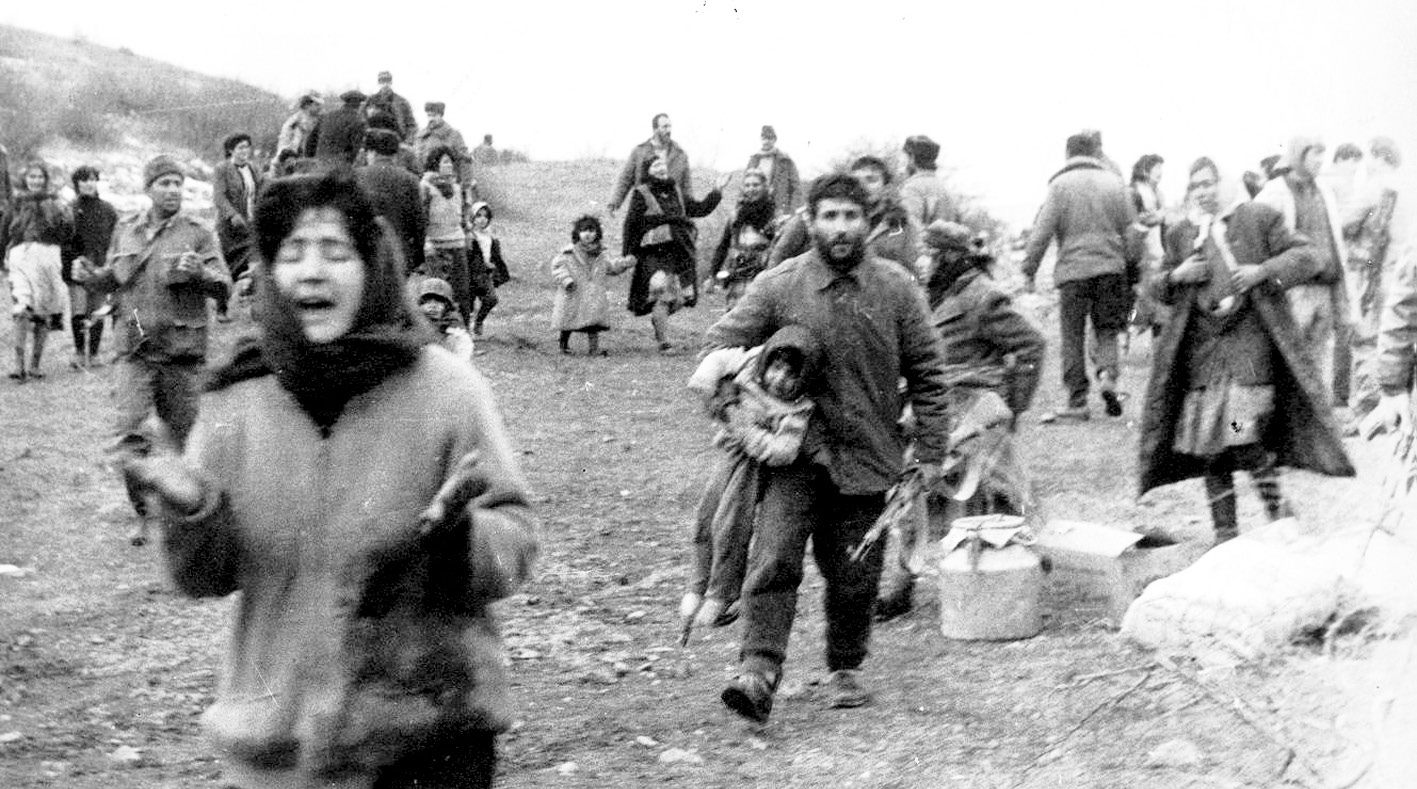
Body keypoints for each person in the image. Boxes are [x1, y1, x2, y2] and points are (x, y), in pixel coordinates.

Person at [115, 169, 537, 789]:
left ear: (372, 267)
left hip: (427, 737)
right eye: (293, 253)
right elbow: (205, 577)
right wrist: (192, 511)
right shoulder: (235, 400)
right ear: (269, 272)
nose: (312, 272)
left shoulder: (447, 390)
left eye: (335, 252)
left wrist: (459, 538)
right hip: (280, 748)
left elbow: (517, 542)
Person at [703, 173, 951, 722]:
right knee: (773, 557)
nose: (840, 227)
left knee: (855, 572)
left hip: (869, 455)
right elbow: (718, 347)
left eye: (851, 216)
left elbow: (931, 376)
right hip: (792, 457)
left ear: (869, 222)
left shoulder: (897, 289)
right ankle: (758, 669)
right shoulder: (779, 285)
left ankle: (846, 665)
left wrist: (932, 452)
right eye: (830, 216)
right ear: (811, 222)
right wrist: (739, 408)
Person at [1138, 158, 1354, 544]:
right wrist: (1176, 275)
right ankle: (1225, 534)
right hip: (1203, 355)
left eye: (1209, 182)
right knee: (1210, 448)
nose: (1203, 191)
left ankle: (1280, 518)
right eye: (1196, 185)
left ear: (1225, 182)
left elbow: (1310, 256)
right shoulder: (1182, 232)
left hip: (1248, 350)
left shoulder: (1258, 218)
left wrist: (1263, 270)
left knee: (1244, 436)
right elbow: (1154, 286)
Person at [875, 220, 1046, 620]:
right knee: (914, 494)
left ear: (950, 257)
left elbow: (1033, 344)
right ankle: (904, 584)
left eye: (929, 254)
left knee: (994, 500)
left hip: (975, 416)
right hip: (936, 413)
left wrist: (1010, 404)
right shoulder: (932, 295)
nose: (922, 261)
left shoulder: (981, 296)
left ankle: (1013, 575)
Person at [71, 155, 231, 545]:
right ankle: (145, 512)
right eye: (164, 183)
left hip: (181, 354)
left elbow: (224, 286)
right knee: (130, 436)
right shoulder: (126, 230)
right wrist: (90, 277)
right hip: (135, 348)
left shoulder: (198, 233)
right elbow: (113, 279)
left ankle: (190, 515)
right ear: (148, 189)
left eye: (178, 183)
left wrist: (202, 274)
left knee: (188, 439)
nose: (173, 190)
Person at [680, 326, 822, 639]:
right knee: (706, 516)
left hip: (752, 465)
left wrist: (744, 429)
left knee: (730, 524)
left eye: (791, 375)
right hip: (728, 453)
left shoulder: (798, 408)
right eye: (777, 368)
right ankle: (696, 583)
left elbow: (783, 451)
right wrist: (711, 388)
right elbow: (718, 359)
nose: (779, 379)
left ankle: (722, 592)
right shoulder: (751, 361)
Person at [1021, 132, 1138, 421]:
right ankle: (1107, 375)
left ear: (1068, 154)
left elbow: (1042, 232)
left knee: (1072, 334)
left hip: (1073, 272)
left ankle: (1077, 401)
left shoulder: (1059, 185)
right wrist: (1130, 263)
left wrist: (1029, 269)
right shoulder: (1115, 183)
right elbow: (1132, 230)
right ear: (1095, 154)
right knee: (1107, 329)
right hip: (1111, 268)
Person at [1253, 135, 1351, 406]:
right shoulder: (1275, 192)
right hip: (1293, 291)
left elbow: (1334, 241)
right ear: (1298, 155)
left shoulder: (1324, 191)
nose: (1321, 160)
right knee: (1289, 358)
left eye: (1323, 153)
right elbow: (1254, 228)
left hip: (1324, 289)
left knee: (1319, 359)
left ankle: (1315, 415)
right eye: (1315, 154)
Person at [623, 154, 727, 353]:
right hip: (655, 252)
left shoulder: (676, 190)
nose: (661, 168)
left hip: (681, 251)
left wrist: (717, 191)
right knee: (663, 293)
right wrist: (628, 253)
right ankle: (664, 342)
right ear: (647, 171)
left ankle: (658, 317)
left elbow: (699, 209)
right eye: (655, 166)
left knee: (683, 297)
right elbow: (631, 224)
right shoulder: (641, 193)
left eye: (662, 164)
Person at [1342, 138, 1408, 429]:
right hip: (1403, 275)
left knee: (1365, 342)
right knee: (1397, 341)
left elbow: (1344, 223)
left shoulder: (1374, 187)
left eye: (1370, 157)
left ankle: (1367, 410)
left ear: (1380, 157)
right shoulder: (1408, 186)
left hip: (1374, 275)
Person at [768, 156, 918, 273]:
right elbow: (778, 257)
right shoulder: (809, 217)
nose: (864, 186)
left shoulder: (899, 222)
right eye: (857, 180)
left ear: (886, 185)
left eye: (871, 180)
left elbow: (912, 269)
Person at [6, 160, 72, 381]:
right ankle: (18, 365)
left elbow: (68, 232)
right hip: (21, 257)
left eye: (40, 177)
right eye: (32, 177)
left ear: (45, 180)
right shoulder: (16, 203)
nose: (35, 181)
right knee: (21, 309)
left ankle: (35, 365)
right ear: (25, 179)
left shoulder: (57, 203)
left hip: (48, 258)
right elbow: (4, 230)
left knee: (43, 311)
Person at [550, 215, 635, 356]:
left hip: (592, 295)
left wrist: (625, 263)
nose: (587, 234)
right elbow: (558, 267)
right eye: (583, 231)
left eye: (591, 230)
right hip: (574, 293)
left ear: (597, 234)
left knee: (593, 323)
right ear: (577, 233)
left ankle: (594, 349)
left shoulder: (600, 255)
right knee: (568, 321)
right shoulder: (568, 253)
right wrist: (567, 281)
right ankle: (563, 346)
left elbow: (611, 267)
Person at [61, 165, 119, 368]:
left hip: (100, 267)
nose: (89, 183)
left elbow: (116, 237)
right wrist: (75, 260)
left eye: (93, 179)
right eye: (84, 180)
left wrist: (109, 262)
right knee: (78, 310)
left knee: (97, 310)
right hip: (76, 266)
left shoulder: (108, 209)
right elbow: (63, 240)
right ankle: (79, 353)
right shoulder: (69, 208)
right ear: (76, 183)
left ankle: (93, 354)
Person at [357, 128, 427, 275]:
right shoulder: (410, 180)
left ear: (372, 152)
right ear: (395, 154)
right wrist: (419, 257)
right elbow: (419, 223)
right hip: (400, 256)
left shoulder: (356, 177)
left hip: (364, 256)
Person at [707, 168, 775, 309]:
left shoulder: (774, 217)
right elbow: (723, 246)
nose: (751, 189)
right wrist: (712, 275)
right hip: (736, 279)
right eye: (747, 185)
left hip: (763, 280)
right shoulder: (736, 216)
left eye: (756, 185)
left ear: (765, 187)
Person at [420, 145, 473, 325]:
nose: (448, 165)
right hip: (435, 245)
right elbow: (422, 216)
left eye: (450, 162)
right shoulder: (426, 185)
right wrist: (426, 242)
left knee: (462, 291)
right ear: (435, 164)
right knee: (436, 292)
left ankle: (462, 330)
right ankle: (435, 330)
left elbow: (464, 214)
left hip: (457, 244)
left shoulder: (457, 187)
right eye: (444, 162)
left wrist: (467, 234)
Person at [212, 133, 263, 321]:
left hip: (251, 226)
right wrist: (232, 215)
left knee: (257, 263)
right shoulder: (222, 169)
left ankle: (258, 307)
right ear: (231, 150)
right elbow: (219, 196)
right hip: (230, 229)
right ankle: (221, 307)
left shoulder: (253, 168)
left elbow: (261, 190)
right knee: (229, 268)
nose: (244, 151)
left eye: (247, 147)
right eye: (240, 147)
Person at [608, 113, 693, 216]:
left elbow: (687, 187)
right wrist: (614, 202)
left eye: (670, 126)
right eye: (665, 127)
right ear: (655, 129)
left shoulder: (680, 155)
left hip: (671, 213)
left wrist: (689, 211)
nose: (669, 130)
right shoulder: (639, 152)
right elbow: (625, 179)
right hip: (644, 212)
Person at [1129, 154, 1169, 335]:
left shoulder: (1157, 193)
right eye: (1157, 168)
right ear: (1146, 170)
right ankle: (1130, 326)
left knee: (1155, 300)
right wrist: (1158, 217)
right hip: (1142, 256)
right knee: (1141, 300)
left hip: (1157, 254)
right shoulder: (1136, 192)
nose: (1161, 172)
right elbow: (1134, 222)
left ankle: (1152, 336)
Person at [465, 201, 510, 337]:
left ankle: (479, 321)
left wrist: (494, 267)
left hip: (484, 275)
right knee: (468, 304)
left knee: (491, 299)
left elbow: (495, 255)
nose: (482, 219)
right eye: (478, 216)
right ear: (472, 218)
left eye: (485, 216)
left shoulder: (490, 237)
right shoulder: (469, 236)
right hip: (470, 275)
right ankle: (465, 331)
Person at [899, 135, 962, 231]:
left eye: (906, 157)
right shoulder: (945, 189)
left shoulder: (912, 188)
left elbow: (910, 230)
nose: (903, 162)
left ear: (912, 158)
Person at [415, 102, 476, 201]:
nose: (431, 119)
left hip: (447, 188)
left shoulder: (453, 135)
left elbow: (465, 161)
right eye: (429, 115)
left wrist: (465, 187)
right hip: (424, 185)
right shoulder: (421, 136)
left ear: (441, 115)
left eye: (434, 115)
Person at [745, 125, 800, 217]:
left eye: (769, 138)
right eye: (764, 138)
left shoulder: (785, 160)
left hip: (779, 208)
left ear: (774, 140)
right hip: (756, 207)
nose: (766, 141)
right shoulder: (754, 160)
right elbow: (745, 186)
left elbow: (796, 188)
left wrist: (792, 211)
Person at [417, 276, 475, 362]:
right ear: (420, 305)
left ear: (447, 305)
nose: (433, 306)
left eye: (438, 301)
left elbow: (464, 349)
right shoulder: (416, 322)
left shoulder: (454, 325)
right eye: (427, 302)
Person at [304, 89, 368, 165]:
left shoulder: (327, 116)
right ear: (359, 105)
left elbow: (310, 141)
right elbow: (355, 149)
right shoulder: (357, 121)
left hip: (319, 162)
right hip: (339, 165)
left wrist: (311, 161)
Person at [364, 70, 416, 142]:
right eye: (382, 82)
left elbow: (411, 124)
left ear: (391, 83)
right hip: (375, 140)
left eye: (387, 81)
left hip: (397, 140)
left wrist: (408, 140)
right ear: (378, 83)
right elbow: (363, 120)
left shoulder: (402, 102)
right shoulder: (370, 101)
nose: (385, 85)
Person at [277, 94, 322, 159]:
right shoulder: (299, 119)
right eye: (316, 105)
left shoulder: (309, 118)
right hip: (291, 153)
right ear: (307, 106)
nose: (319, 108)